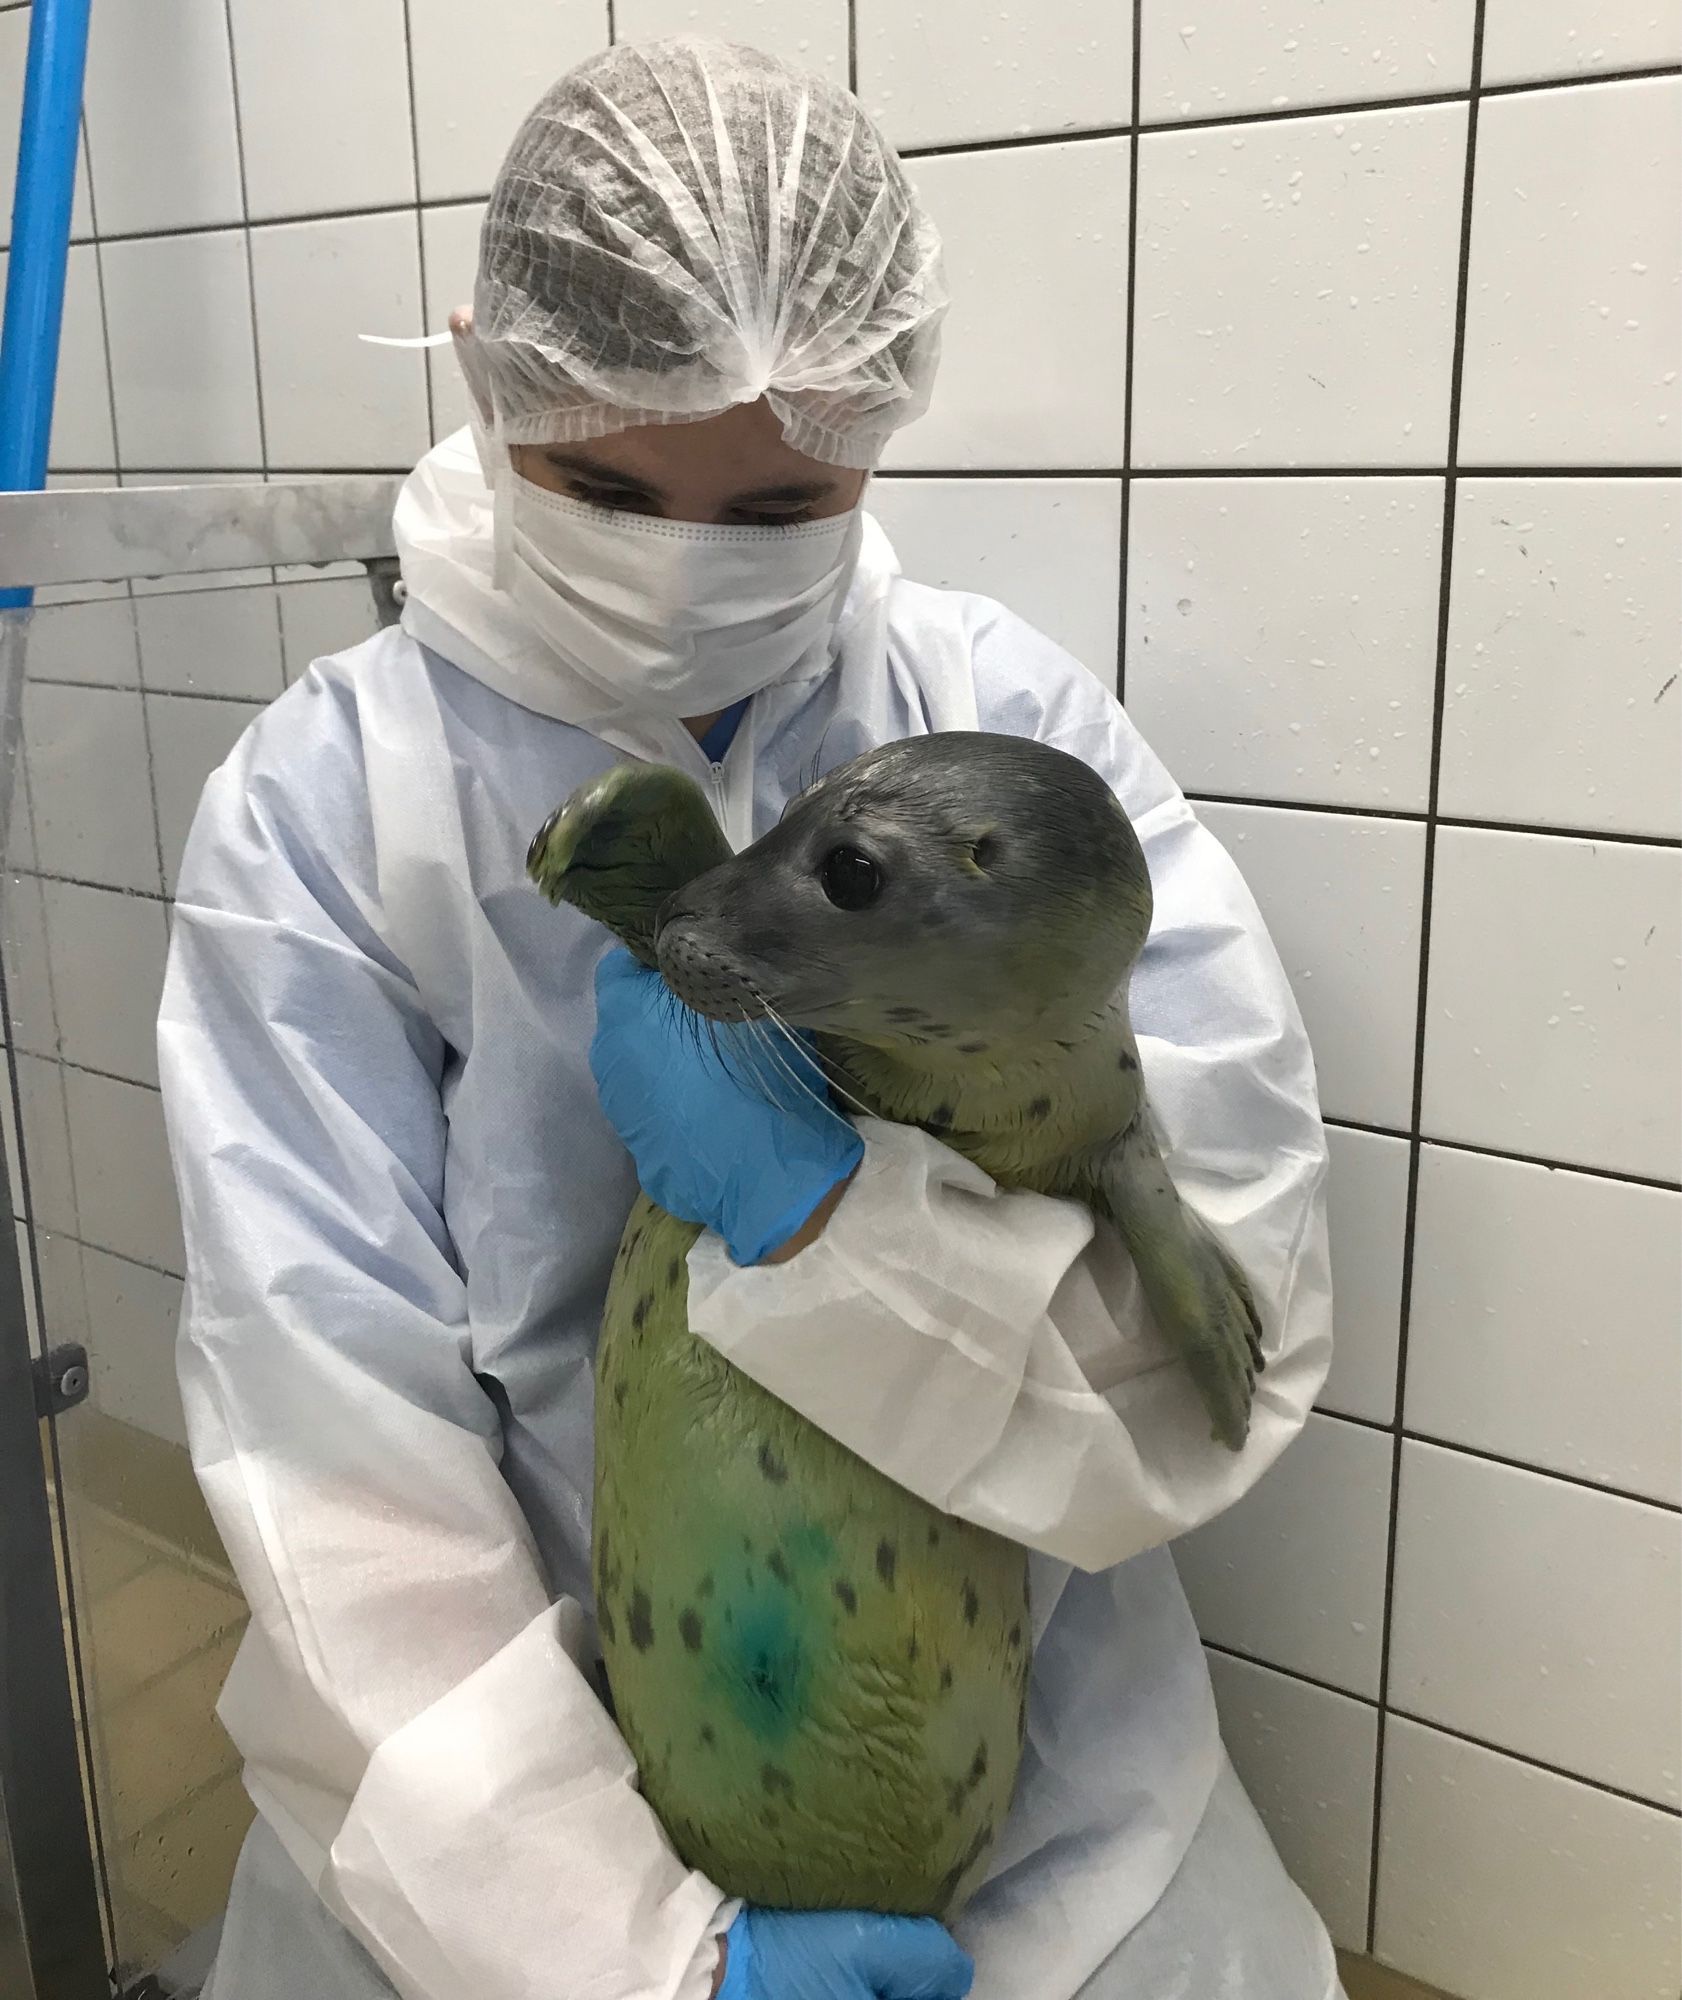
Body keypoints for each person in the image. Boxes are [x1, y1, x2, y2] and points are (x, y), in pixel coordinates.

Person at [158, 36, 1341, 2000]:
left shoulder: (1002, 737)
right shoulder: (322, 817)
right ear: (485, 369)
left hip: (1038, 1777)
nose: (681, 579)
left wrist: (828, 1231)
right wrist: (637, 1955)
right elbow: (332, 1462)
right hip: (499, 1813)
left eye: (779, 510)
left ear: (879, 429)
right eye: (607, 488)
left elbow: (1237, 1302)